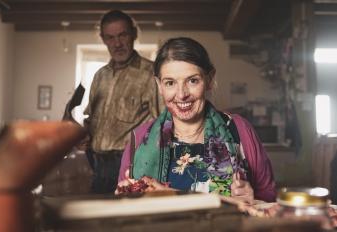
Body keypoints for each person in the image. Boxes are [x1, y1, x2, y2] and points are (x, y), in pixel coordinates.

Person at [117, 37, 276, 203]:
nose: (181, 94)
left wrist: (253, 200)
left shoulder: (239, 130)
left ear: (209, 79)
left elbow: (268, 199)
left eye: (192, 81)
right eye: (170, 83)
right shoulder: (139, 139)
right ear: (159, 85)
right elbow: (124, 208)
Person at [83, 10, 162, 194]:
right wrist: (83, 134)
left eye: (122, 35)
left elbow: (164, 126)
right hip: (98, 168)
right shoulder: (99, 76)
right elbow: (91, 120)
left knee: (130, 222)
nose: (117, 43)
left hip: (132, 168)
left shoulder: (151, 73)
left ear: (134, 34)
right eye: (110, 37)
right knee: (97, 221)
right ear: (103, 39)